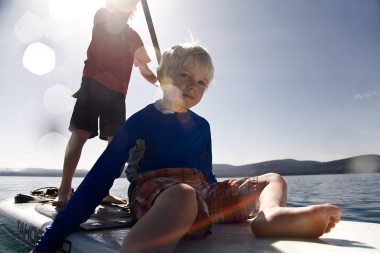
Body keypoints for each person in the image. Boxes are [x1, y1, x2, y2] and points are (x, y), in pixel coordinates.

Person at [31, 43, 340, 253]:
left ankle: (269, 216)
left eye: (202, 82)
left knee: (274, 178)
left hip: (200, 193)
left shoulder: (203, 126)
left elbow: (207, 176)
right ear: (164, 77)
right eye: (185, 76)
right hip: (157, 193)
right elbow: (100, 178)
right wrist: (53, 236)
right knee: (182, 194)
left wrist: (222, 203)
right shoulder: (141, 122)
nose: (194, 86)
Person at [53, 0, 158, 207]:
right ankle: (64, 190)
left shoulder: (133, 36)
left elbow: (144, 68)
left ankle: (103, 191)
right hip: (93, 83)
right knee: (80, 133)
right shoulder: (102, 15)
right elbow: (113, 22)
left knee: (116, 145)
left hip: (117, 94)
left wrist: (161, 80)